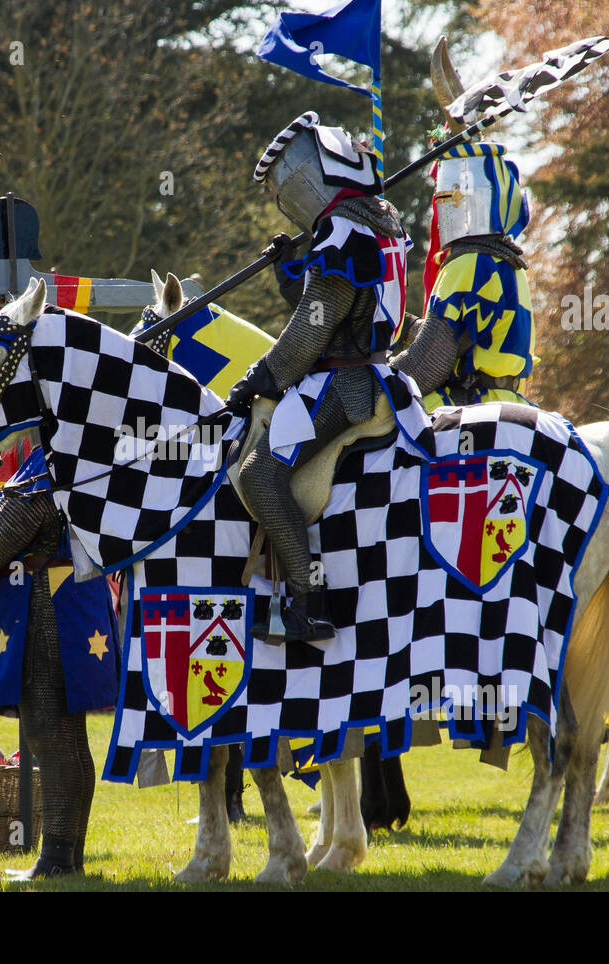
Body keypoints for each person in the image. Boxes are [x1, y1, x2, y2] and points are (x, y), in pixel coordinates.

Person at [229, 111, 410, 643]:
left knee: (258, 475)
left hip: (344, 386)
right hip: (373, 373)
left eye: (292, 178)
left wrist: (263, 377)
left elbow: (315, 327)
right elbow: (328, 302)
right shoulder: (381, 218)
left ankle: (307, 602)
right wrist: (292, 268)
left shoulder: (343, 226)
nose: (291, 192)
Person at [0, 448, 119, 878]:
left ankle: (57, 859)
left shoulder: (46, 466)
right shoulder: (82, 455)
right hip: (77, 604)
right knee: (70, 740)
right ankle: (68, 856)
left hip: (47, 607)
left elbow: (2, 535)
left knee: (50, 736)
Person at [389, 141, 535, 411]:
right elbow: (458, 340)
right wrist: (404, 326)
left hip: (469, 403)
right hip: (510, 400)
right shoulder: (507, 261)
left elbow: (428, 363)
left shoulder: (470, 262)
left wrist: (380, 380)